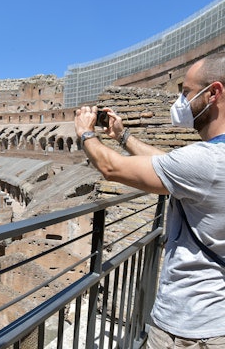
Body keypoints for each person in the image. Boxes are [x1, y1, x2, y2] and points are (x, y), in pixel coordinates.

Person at [74, 52, 225, 348]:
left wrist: (85, 132)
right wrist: (122, 136)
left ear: (214, 93)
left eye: (187, 93)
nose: (180, 102)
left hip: (189, 328)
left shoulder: (207, 162)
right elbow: (172, 165)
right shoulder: (209, 162)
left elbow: (111, 168)